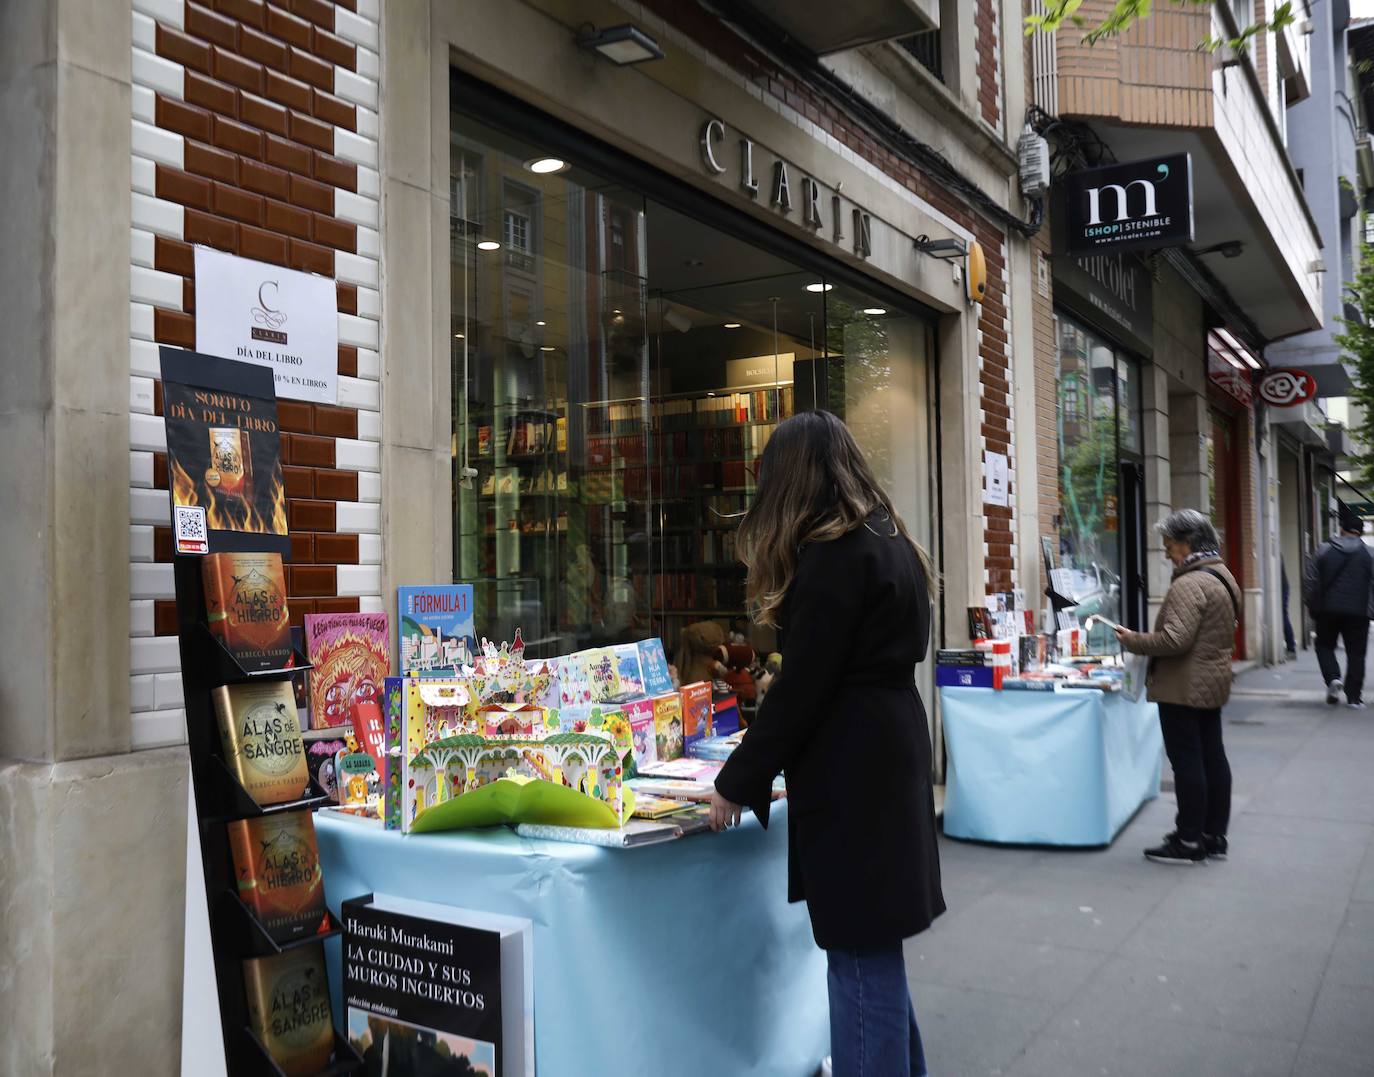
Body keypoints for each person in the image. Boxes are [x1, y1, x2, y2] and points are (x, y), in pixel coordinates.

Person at [706, 410, 943, 1077]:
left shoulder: (835, 554)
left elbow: (802, 689)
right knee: (875, 950)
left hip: (854, 772)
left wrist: (735, 779)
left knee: (860, 953)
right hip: (886, 751)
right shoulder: (886, 534)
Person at [1115, 509, 1240, 865]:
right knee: (1212, 756)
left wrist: (1134, 640)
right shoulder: (1222, 575)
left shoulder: (1189, 583)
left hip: (1183, 686)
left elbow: (1175, 640)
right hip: (1210, 680)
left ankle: (1187, 839)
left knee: (1187, 762)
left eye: (1170, 546)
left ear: (1187, 544)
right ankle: (1213, 835)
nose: (1167, 553)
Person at [1303, 505, 1374, 708]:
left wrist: (1310, 601)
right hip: (1359, 611)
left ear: (1341, 529)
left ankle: (1333, 678)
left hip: (1327, 610)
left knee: (1324, 645)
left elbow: (1310, 578)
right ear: (1359, 532)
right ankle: (1354, 698)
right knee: (1356, 653)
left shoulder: (1324, 549)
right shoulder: (1370, 554)